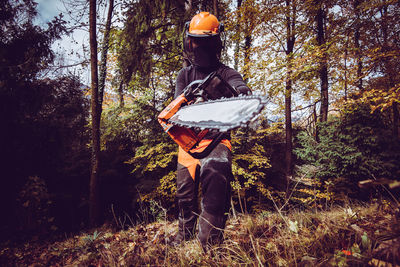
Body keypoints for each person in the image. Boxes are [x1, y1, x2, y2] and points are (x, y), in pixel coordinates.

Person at [171, 11, 251, 250]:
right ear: (189, 41)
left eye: (204, 41)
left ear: (215, 43)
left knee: (215, 191)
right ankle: (183, 238)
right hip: (188, 143)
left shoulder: (226, 73)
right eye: (195, 40)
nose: (198, 46)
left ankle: (210, 245)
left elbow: (241, 87)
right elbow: (176, 107)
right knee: (185, 197)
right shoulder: (185, 74)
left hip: (216, 141)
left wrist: (240, 92)